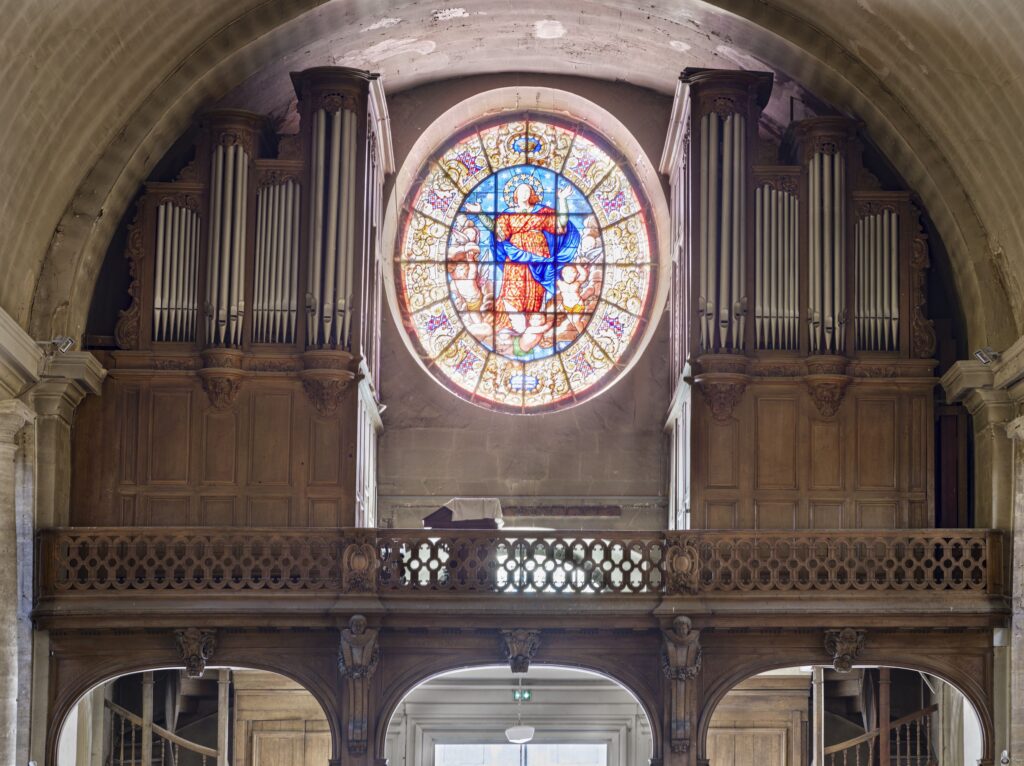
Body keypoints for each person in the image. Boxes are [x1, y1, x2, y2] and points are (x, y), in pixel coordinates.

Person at [465, 182, 580, 335]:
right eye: (521, 191)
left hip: (539, 256)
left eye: (527, 191)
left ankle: (533, 323)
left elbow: (561, 223)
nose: (524, 194)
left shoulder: (542, 212)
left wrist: (562, 199)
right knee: (514, 288)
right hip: (516, 256)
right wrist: (481, 213)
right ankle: (514, 324)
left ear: (532, 193)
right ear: (515, 195)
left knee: (536, 290)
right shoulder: (507, 215)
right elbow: (498, 232)